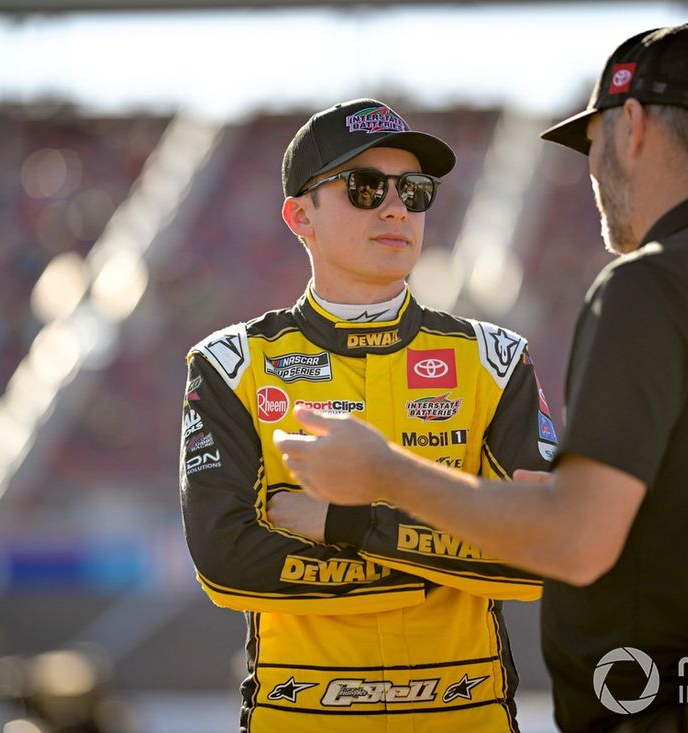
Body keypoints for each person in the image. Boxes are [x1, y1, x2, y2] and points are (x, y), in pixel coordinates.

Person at [274, 27, 688, 733]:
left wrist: (386, 472)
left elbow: (577, 542)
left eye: (593, 143)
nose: (592, 173)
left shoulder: (649, 284)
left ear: (632, 126)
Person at [179, 98, 558, 733]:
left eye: (414, 191)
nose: (396, 209)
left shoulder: (494, 360)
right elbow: (225, 560)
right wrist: (431, 562)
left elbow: (541, 551)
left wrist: (343, 523)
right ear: (300, 216)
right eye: (365, 187)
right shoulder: (230, 365)